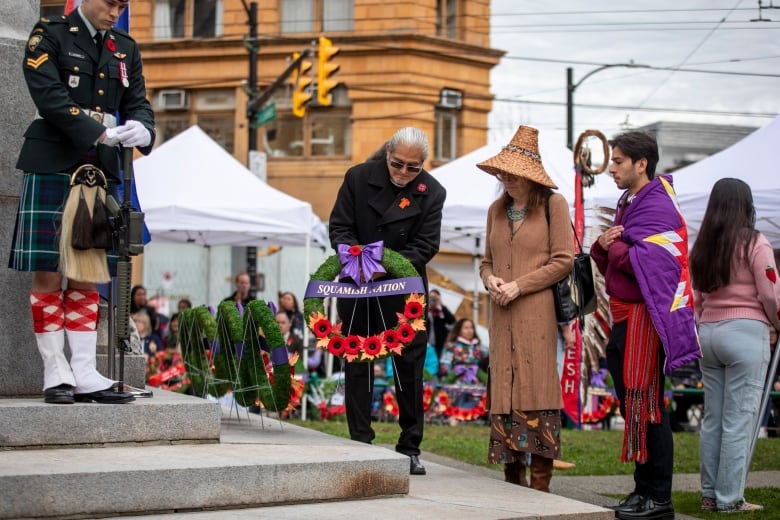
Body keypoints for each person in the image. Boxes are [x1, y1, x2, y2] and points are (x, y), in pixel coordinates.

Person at [9, 0, 155, 405]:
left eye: (122, 5)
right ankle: (56, 372)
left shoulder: (125, 47)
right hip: (56, 158)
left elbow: (137, 99)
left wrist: (142, 127)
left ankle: (86, 372)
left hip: (101, 166)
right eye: (110, 3)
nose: (115, 11)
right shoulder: (50, 34)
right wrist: (98, 131)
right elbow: (49, 97)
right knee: (51, 272)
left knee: (88, 272)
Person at [590, 131, 699, 520]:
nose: (612, 168)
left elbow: (655, 263)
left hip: (644, 321)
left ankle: (660, 498)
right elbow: (614, 260)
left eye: (618, 161)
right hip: (624, 316)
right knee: (633, 404)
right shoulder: (630, 201)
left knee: (650, 407)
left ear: (642, 164)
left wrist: (614, 247)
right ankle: (642, 491)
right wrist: (605, 245)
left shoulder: (659, 205)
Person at [329, 127, 446, 475]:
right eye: (398, 164)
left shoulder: (432, 192)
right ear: (387, 155)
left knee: (409, 371)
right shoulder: (358, 178)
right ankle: (360, 441)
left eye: (413, 168)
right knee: (358, 364)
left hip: (403, 293)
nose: (404, 173)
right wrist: (359, 261)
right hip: (357, 286)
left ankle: (410, 446)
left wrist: (384, 267)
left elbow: (426, 246)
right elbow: (339, 228)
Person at [477, 125, 574, 492]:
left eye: (513, 173)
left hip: (536, 313)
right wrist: (491, 280)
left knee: (536, 387)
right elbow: (486, 261)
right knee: (504, 390)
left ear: (530, 174)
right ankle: (511, 482)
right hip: (500, 318)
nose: (506, 179)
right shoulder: (495, 210)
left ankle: (541, 486)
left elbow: (563, 260)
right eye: (502, 172)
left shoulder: (554, 205)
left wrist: (520, 284)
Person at [689, 178, 780, 513]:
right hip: (746, 332)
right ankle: (730, 499)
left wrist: (704, 320)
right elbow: (770, 289)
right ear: (746, 205)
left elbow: (695, 294)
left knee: (713, 420)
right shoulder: (755, 243)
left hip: (709, 332)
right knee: (739, 420)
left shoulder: (703, 246)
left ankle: (711, 494)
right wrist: (776, 321)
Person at [438, 318, 487, 384]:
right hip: (456, 381)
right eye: (466, 328)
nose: (469, 331)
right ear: (459, 330)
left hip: (476, 382)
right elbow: (445, 365)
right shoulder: (451, 346)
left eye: (471, 328)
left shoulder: (479, 347)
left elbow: (489, 361)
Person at [428, 288, 455, 359]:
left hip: (439, 345)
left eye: (435, 298)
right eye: (430, 297)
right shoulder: (426, 312)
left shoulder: (441, 314)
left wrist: (442, 305)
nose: (432, 300)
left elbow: (452, 320)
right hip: (427, 345)